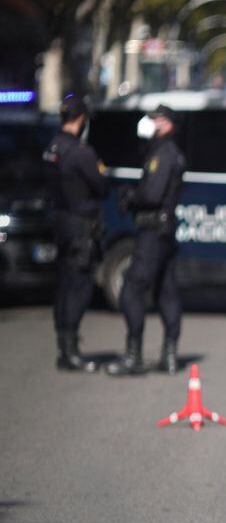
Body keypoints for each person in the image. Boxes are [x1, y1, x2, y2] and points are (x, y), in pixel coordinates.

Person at [106, 105, 186, 376]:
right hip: (164, 231)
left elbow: (151, 195)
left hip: (153, 232)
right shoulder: (166, 152)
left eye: (154, 119)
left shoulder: (162, 154)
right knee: (166, 291)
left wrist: (131, 197)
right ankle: (169, 355)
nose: (148, 123)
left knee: (132, 289)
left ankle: (133, 355)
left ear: (166, 125)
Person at [43, 95, 107, 372]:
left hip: (60, 222)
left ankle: (64, 348)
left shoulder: (52, 148)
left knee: (64, 283)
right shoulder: (81, 152)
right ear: (81, 119)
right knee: (79, 286)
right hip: (80, 225)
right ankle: (71, 351)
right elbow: (102, 186)